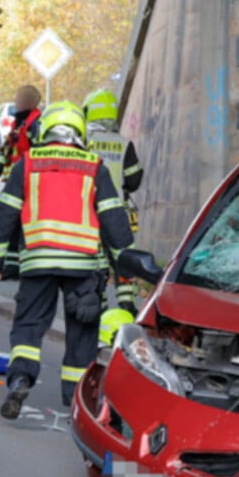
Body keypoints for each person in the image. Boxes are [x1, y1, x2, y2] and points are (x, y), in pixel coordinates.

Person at [0, 101, 134, 418]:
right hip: (82, 267)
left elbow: (5, 214)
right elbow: (114, 221)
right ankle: (76, 399)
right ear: (80, 132)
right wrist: (126, 264)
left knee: (28, 326)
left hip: (37, 263)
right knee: (81, 332)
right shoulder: (94, 166)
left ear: (46, 130)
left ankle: (21, 378)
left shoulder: (28, 163)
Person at [82, 88, 144, 314]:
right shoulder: (123, 143)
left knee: (95, 260)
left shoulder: (82, 142)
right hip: (117, 211)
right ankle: (127, 305)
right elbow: (134, 180)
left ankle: (99, 306)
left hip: (88, 211)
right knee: (122, 258)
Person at [0, 85, 43, 280]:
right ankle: (10, 266)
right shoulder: (19, 122)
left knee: (19, 223)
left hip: (28, 180)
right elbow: (8, 152)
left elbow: (39, 152)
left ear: (31, 101)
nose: (17, 101)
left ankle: (15, 265)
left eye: (20, 98)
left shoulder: (35, 124)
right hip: (15, 181)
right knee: (12, 222)